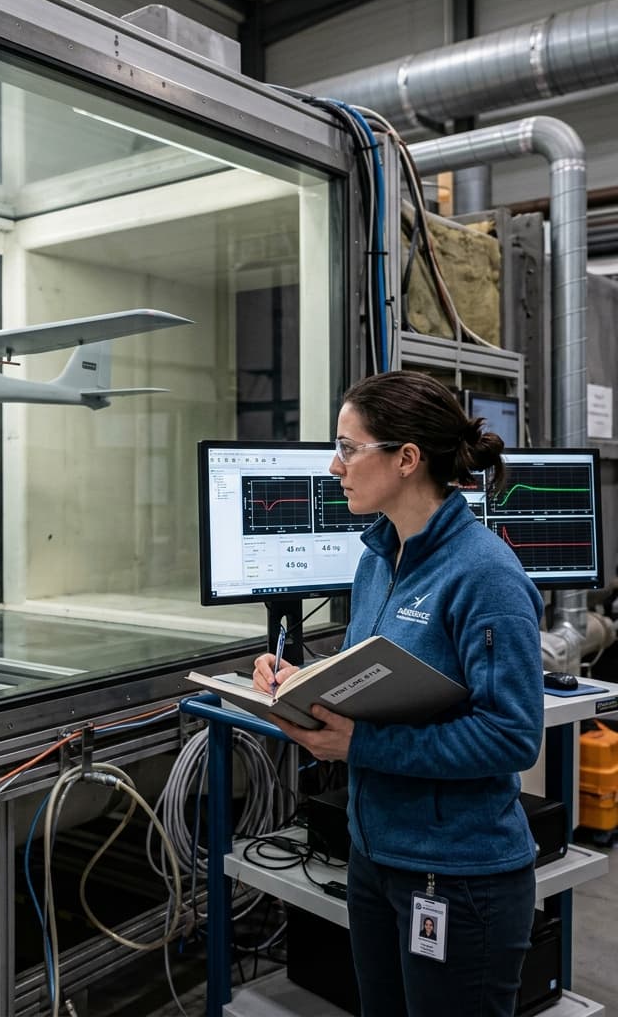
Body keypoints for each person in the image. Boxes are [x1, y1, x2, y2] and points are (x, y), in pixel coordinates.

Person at [253, 371, 544, 1017]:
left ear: (407, 459)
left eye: (349, 448)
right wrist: (296, 680)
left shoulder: (486, 577)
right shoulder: (379, 556)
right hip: (376, 858)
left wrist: (360, 741)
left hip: (457, 875)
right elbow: (378, 672)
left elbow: (511, 735)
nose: (335, 466)